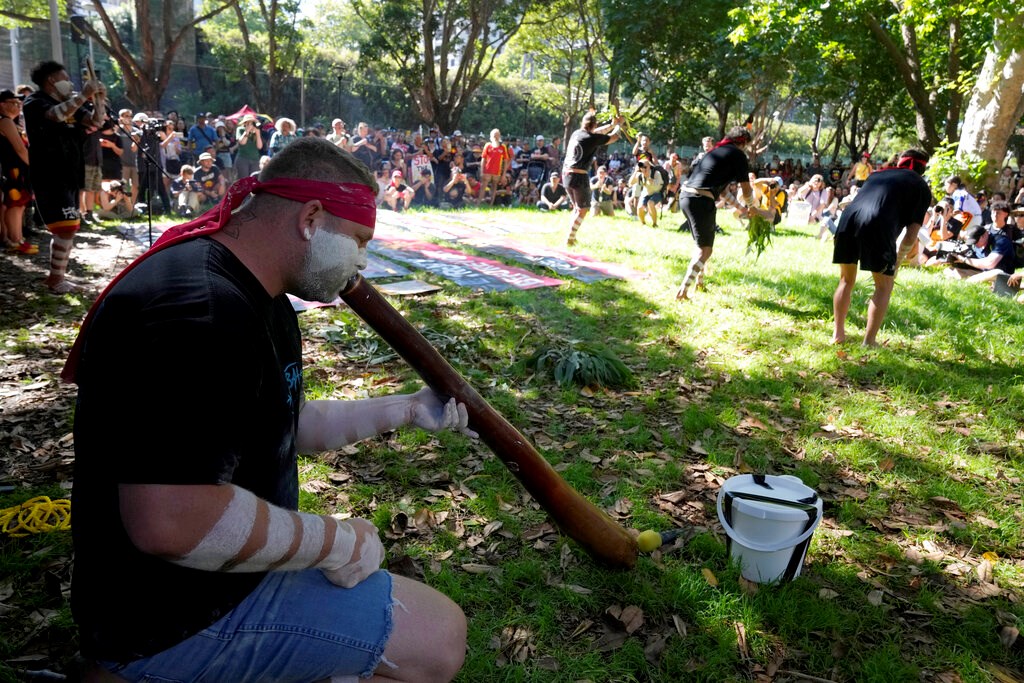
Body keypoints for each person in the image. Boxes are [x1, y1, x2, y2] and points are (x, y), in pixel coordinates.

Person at [63, 137, 469, 683]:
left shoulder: (261, 297)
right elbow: (171, 522)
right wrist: (333, 541)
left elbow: (281, 423)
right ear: (311, 219)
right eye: (358, 241)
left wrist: (407, 409)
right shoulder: (200, 311)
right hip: (171, 618)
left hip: (225, 576)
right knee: (438, 639)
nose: (363, 263)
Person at [831, 149, 932, 346]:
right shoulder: (920, 186)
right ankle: (869, 341)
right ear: (923, 168)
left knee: (846, 280)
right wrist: (898, 261)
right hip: (877, 224)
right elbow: (912, 234)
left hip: (848, 219)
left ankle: (838, 335)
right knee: (884, 286)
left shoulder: (877, 173)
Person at [23, 60, 107, 293]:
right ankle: (55, 279)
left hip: (70, 171)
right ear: (51, 80)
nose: (69, 82)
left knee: (69, 226)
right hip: (49, 173)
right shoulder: (35, 102)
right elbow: (56, 116)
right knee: (66, 227)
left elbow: (95, 122)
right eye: (65, 77)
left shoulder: (70, 104)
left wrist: (99, 101)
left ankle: (57, 276)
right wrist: (84, 95)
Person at [675, 126, 758, 301]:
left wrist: (742, 209)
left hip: (686, 197)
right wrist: (752, 206)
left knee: (701, 246)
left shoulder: (716, 151)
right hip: (700, 200)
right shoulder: (737, 155)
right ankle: (683, 291)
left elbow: (722, 192)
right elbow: (746, 187)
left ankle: (700, 282)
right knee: (705, 250)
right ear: (742, 142)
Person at [562, 111, 625, 245]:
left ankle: (571, 235)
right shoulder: (592, 138)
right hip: (579, 175)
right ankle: (570, 237)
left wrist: (611, 124)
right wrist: (619, 125)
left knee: (577, 207)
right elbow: (613, 137)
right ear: (594, 124)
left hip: (566, 174)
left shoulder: (577, 133)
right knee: (583, 209)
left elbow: (596, 132)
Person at [945, 200, 1019, 282]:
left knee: (997, 272)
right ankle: (968, 279)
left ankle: (969, 281)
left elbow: (990, 263)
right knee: (949, 270)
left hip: (999, 273)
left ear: (985, 236)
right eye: (993, 212)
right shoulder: (985, 228)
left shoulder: (1003, 239)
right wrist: (958, 255)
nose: (995, 215)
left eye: (998, 213)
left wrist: (964, 260)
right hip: (983, 270)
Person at [0, 89, 36, 254]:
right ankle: (15, 241)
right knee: (15, 204)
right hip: (12, 169)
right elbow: (20, 149)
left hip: (17, 168)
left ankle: (18, 239)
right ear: (2, 104)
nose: (18, 106)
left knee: (20, 205)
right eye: (13, 103)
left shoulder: (12, 122)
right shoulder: (5, 121)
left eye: (18, 103)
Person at [479, 128, 511, 205]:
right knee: (483, 186)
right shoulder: (487, 145)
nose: (496, 137)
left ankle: (491, 204)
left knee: (494, 187)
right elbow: (483, 159)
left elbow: (506, 161)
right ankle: (478, 203)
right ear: (491, 136)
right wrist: (481, 171)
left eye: (497, 135)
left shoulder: (503, 147)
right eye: (494, 135)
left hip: (497, 171)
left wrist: (503, 175)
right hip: (487, 170)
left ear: (499, 136)